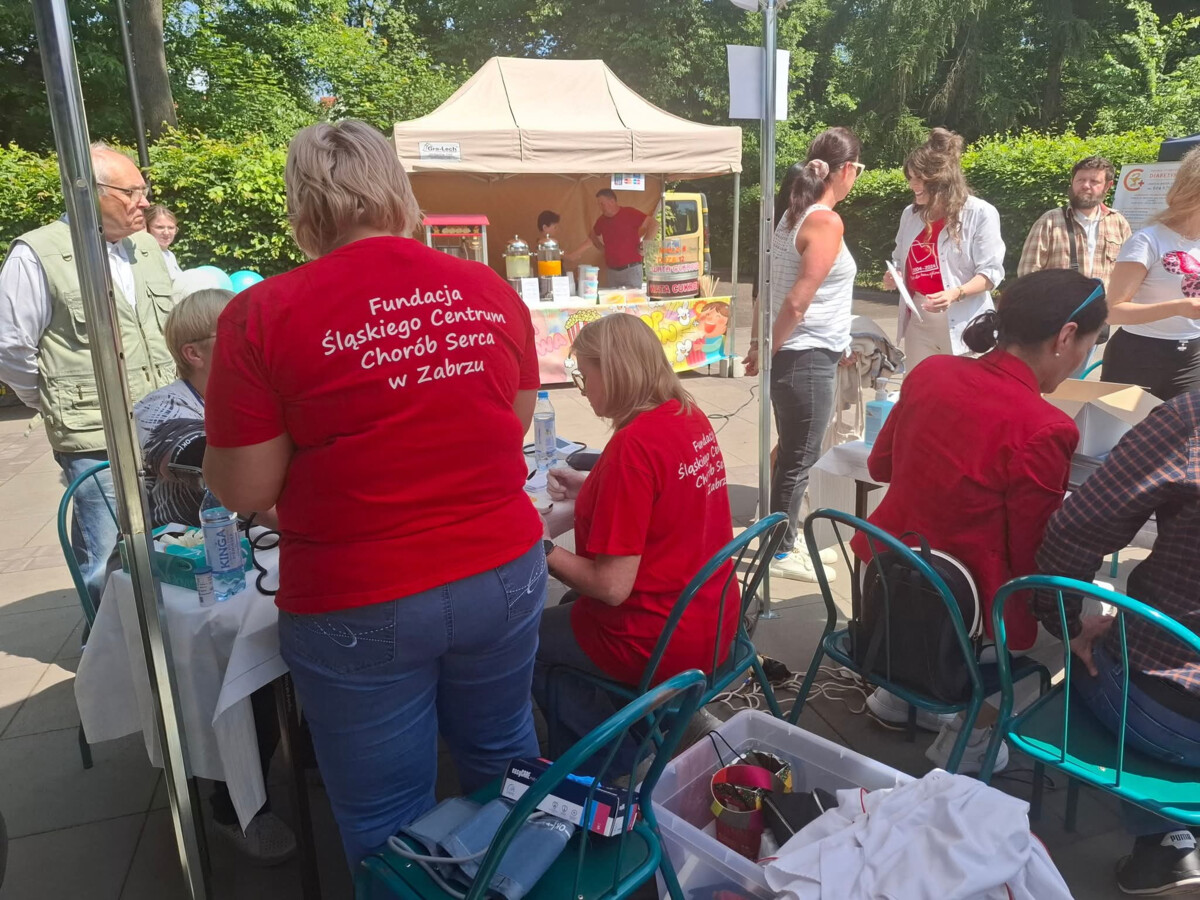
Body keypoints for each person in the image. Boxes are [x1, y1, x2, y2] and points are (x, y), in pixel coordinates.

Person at [201, 120, 546, 867]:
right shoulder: (488, 289)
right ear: (399, 192)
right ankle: (520, 880)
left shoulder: (262, 314)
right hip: (504, 570)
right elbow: (510, 426)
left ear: (302, 206)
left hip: (359, 591)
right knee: (505, 760)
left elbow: (247, 486)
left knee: (388, 813)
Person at [855, 270, 1108, 773]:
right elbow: (1033, 560)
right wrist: (1077, 620)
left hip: (884, 578)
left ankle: (896, 698)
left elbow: (880, 466)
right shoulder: (1045, 426)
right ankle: (967, 739)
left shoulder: (931, 372)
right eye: (1091, 343)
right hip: (962, 615)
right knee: (1087, 614)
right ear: (1065, 337)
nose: (1084, 357)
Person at [131, 287, 295, 862]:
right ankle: (234, 803)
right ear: (194, 353)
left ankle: (309, 744)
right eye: (239, 339)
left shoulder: (261, 394)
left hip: (261, 553)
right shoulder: (159, 407)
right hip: (190, 573)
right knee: (242, 654)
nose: (256, 347)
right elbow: (200, 457)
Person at [533, 314, 735, 750]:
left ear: (615, 371)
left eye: (585, 377)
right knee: (569, 606)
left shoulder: (632, 447)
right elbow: (666, 497)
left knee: (525, 642)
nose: (583, 390)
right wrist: (593, 487)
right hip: (713, 618)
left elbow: (610, 587)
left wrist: (542, 546)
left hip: (659, 639)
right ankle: (653, 722)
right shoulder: (687, 414)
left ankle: (608, 762)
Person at [1036, 391, 1200, 895]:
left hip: (1170, 712)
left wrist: (1067, 624)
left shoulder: (1189, 419)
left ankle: (1165, 842)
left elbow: (1076, 527)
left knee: (1092, 657)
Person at [0, 142, 176, 606]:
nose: (144, 201)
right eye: (131, 192)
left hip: (162, 425)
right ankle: (104, 642)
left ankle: (169, 636)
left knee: (174, 539)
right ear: (87, 192)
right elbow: (11, 347)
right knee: (103, 557)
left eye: (144, 190)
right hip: (93, 435)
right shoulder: (37, 253)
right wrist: (55, 402)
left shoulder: (147, 248)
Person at [765, 127, 863, 583]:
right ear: (847, 169)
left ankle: (786, 537)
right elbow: (796, 301)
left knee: (792, 454)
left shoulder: (793, 214)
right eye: (858, 170)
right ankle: (782, 551)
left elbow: (778, 289)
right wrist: (772, 346)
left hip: (803, 355)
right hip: (804, 358)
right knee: (798, 459)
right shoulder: (825, 221)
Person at [882, 128, 1005, 371]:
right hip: (919, 322)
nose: (912, 185)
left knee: (963, 389)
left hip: (966, 323)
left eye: (919, 179)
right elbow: (899, 259)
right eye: (910, 177)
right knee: (921, 386)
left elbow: (991, 274)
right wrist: (894, 275)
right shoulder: (910, 215)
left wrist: (954, 293)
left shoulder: (980, 213)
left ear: (941, 180)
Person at [1100, 146, 1200, 401]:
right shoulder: (1148, 240)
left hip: (1193, 356)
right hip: (1138, 355)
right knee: (1126, 426)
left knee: (1188, 427)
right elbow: (1113, 311)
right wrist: (1178, 308)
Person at [1017, 156, 1131, 286]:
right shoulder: (1049, 221)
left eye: (1094, 181)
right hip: (1059, 299)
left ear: (1107, 186)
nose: (1085, 186)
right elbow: (1028, 274)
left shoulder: (1119, 223)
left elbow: (1128, 272)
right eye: (1080, 180)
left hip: (1105, 299)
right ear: (1072, 182)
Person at [588, 189, 653, 289]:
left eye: (602, 204)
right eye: (599, 205)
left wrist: (645, 243)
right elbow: (592, 235)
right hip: (612, 271)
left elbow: (654, 224)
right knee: (614, 299)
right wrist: (603, 249)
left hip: (631, 269)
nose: (600, 207)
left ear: (612, 202)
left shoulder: (629, 213)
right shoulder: (602, 220)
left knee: (633, 298)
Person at [145, 204, 183, 280]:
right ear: (147, 228)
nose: (166, 232)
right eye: (160, 227)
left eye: (171, 228)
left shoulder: (170, 255)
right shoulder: (145, 256)